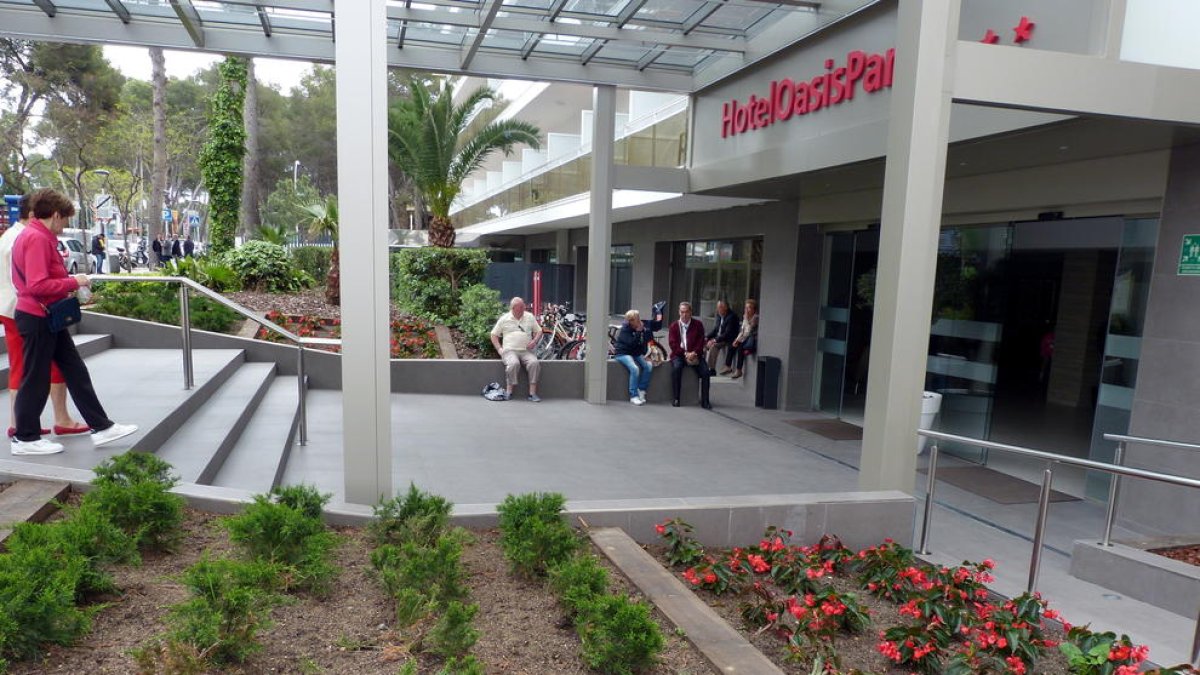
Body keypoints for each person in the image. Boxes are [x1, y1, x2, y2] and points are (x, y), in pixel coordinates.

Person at [11, 189, 137, 455]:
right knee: (36, 377)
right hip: (38, 316)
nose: (65, 224)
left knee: (73, 369)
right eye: (65, 219)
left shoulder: (35, 235)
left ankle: (101, 426)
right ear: (55, 215)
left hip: (43, 315)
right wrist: (74, 282)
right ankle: (25, 437)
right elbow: (37, 285)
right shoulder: (37, 239)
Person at [0, 195, 89, 453]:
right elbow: (32, 282)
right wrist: (71, 283)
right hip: (25, 309)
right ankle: (25, 430)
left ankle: (28, 427)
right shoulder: (28, 238)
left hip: (21, 308)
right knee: (31, 372)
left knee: (36, 369)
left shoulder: (16, 236)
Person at [489, 296, 543, 402]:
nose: (523, 309)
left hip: (526, 350)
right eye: (520, 308)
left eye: (523, 307)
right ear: (513, 308)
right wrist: (499, 349)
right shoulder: (504, 318)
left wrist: (534, 341)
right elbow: (493, 335)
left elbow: (539, 331)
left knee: (534, 363)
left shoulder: (529, 316)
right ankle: (509, 391)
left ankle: (532, 393)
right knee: (513, 364)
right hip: (509, 350)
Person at [668, 301, 711, 409]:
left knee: (706, 372)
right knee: (676, 369)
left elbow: (701, 342)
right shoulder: (674, 326)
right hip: (679, 355)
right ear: (679, 312)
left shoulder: (698, 325)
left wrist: (694, 353)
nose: (684, 314)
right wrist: (685, 353)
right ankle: (676, 398)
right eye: (682, 312)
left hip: (695, 354)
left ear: (691, 312)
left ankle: (705, 400)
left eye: (687, 312)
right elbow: (673, 344)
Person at [614, 309, 655, 406]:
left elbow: (646, 342)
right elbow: (631, 344)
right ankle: (633, 396)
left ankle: (641, 390)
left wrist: (647, 355)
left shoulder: (641, 328)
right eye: (635, 319)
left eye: (638, 318)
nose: (638, 321)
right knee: (634, 368)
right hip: (623, 353)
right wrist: (638, 332)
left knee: (648, 365)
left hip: (636, 353)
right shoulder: (625, 330)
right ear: (630, 321)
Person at [705, 300, 741, 374]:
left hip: (728, 338)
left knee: (713, 346)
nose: (718, 309)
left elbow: (727, 333)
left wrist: (714, 340)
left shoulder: (732, 317)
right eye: (718, 307)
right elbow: (716, 329)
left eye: (720, 307)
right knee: (704, 345)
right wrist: (706, 337)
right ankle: (702, 367)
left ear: (726, 308)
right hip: (720, 337)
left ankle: (711, 369)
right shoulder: (719, 315)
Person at [730, 299, 759, 379]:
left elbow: (748, 331)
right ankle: (729, 366)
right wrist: (736, 339)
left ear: (754, 309)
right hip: (746, 337)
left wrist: (739, 340)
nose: (746, 310)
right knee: (733, 345)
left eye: (749, 308)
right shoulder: (745, 317)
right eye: (746, 308)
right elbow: (742, 331)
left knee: (740, 346)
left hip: (752, 339)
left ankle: (739, 370)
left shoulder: (755, 318)